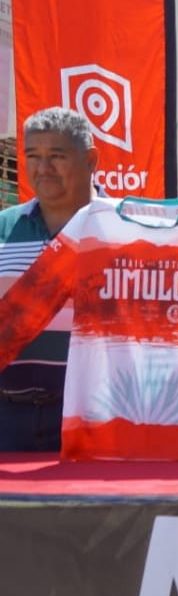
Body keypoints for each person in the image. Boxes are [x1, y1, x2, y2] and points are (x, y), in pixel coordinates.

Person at [0, 107, 100, 451]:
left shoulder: (123, 228)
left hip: (94, 418)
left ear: (90, 160)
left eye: (57, 156)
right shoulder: (3, 228)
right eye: (32, 156)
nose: (43, 168)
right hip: (7, 418)